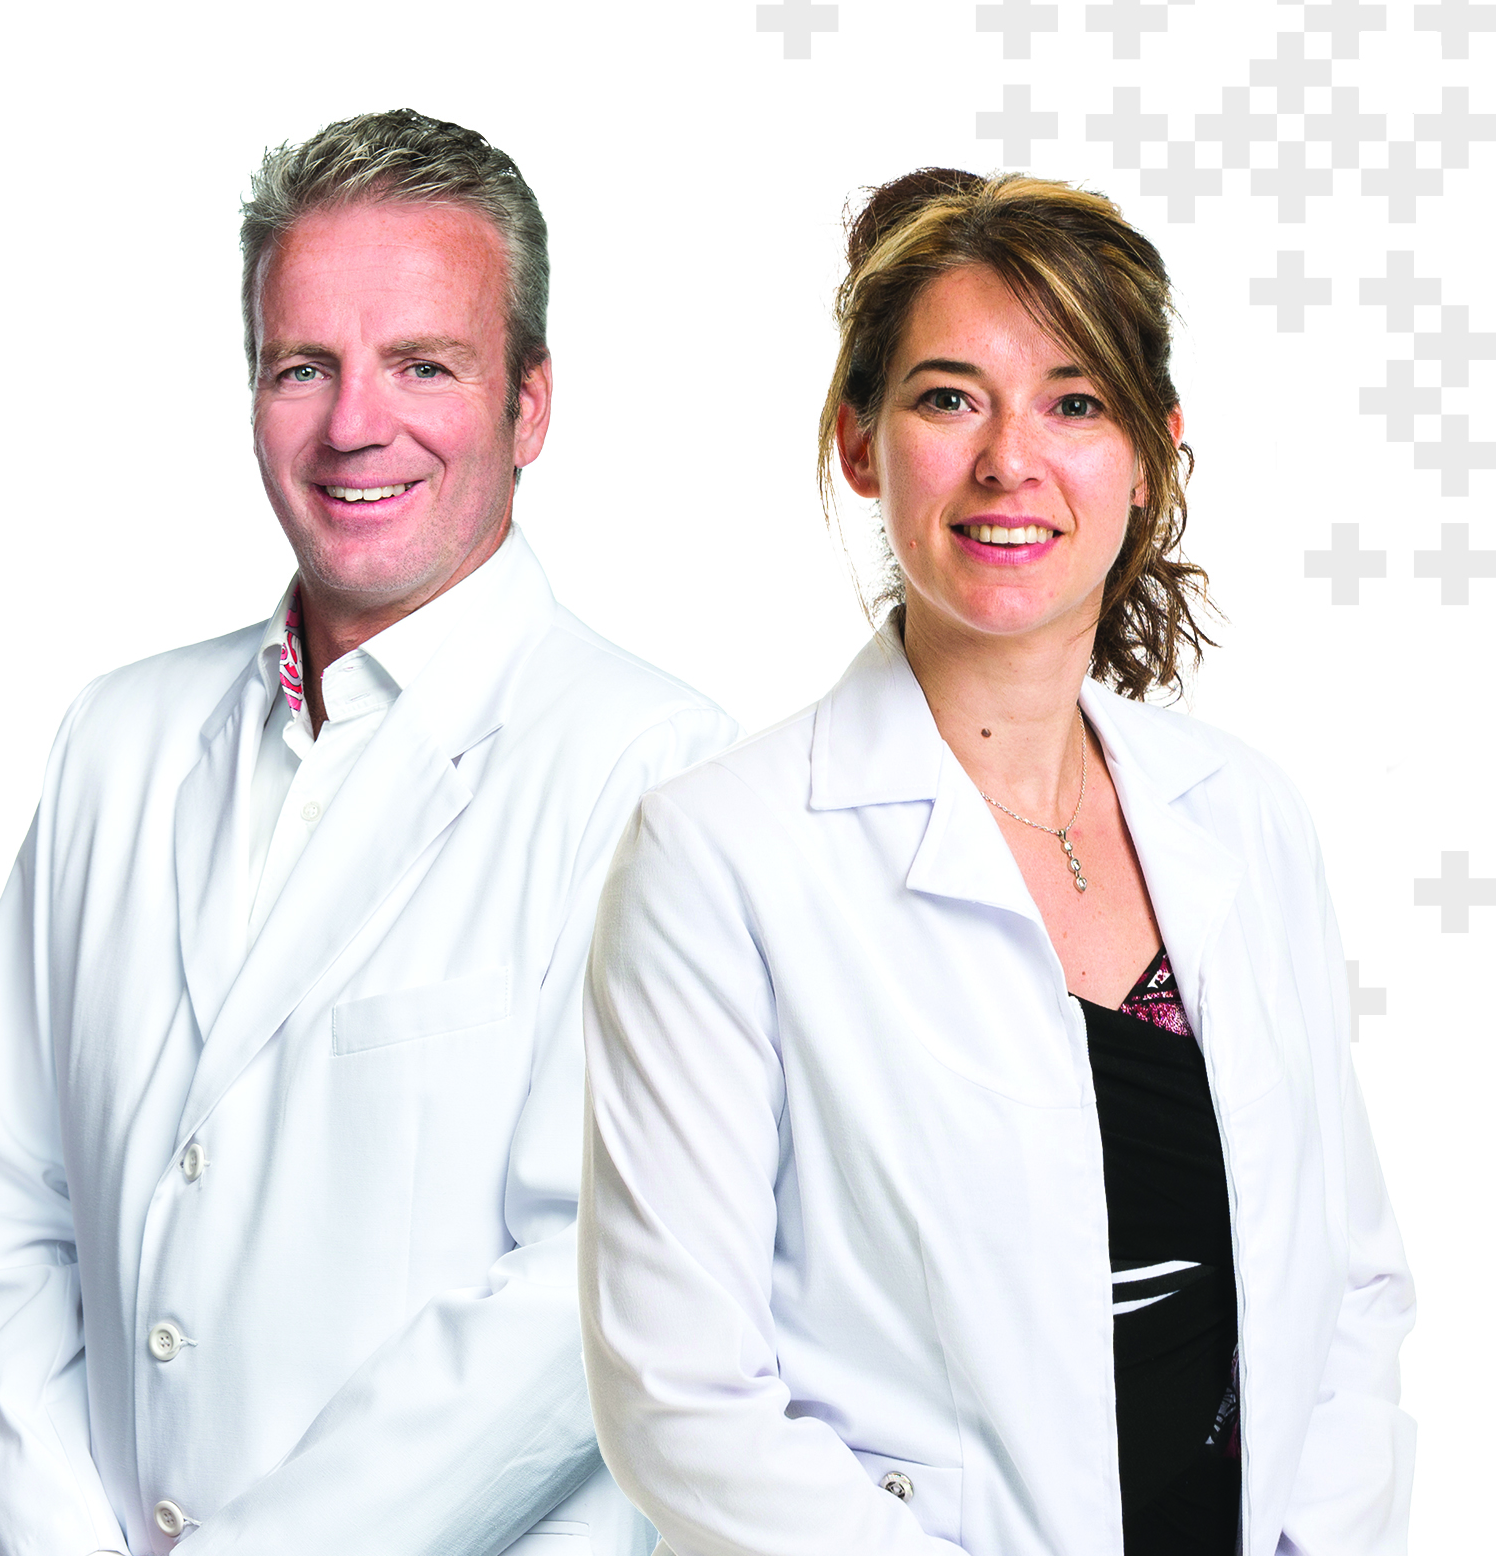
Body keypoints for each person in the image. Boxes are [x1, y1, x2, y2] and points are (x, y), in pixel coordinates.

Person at [0, 108, 736, 1556]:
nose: (355, 424)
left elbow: (583, 1296)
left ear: (529, 404)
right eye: (304, 366)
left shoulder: (654, 773)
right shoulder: (115, 742)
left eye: (423, 364)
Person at [578, 169, 1414, 1555]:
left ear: (1151, 452)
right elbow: (683, 1399)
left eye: (1073, 404)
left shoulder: (1244, 817)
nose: (1009, 461)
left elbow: (1350, 1287)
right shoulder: (717, 859)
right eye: (948, 398)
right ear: (860, 443)